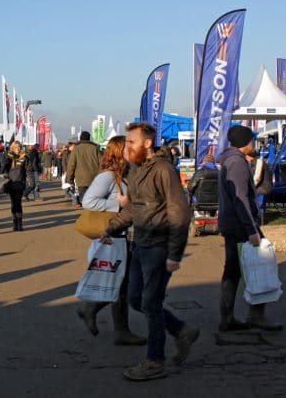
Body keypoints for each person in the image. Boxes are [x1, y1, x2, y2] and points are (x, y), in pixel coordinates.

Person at [101, 122, 197, 381]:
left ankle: (155, 360)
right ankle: (181, 330)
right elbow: (134, 208)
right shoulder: (136, 170)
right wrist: (111, 228)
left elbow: (180, 212)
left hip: (160, 245)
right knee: (135, 299)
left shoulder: (164, 170)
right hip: (140, 243)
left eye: (131, 143)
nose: (126, 148)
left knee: (150, 302)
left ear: (147, 143)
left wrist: (175, 253)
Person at [76, 136, 146, 346]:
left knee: (122, 283)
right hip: (115, 237)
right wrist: (118, 203)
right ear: (119, 152)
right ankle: (114, 326)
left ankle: (112, 324)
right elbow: (88, 201)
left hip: (124, 235)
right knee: (123, 283)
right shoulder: (107, 176)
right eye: (129, 148)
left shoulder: (124, 175)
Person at [218, 125, 282, 332]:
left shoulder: (229, 160)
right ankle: (256, 315)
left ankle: (227, 318)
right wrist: (252, 229)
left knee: (234, 270)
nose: (254, 145)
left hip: (233, 223)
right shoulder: (237, 162)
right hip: (240, 225)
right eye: (252, 141)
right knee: (258, 266)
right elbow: (240, 198)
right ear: (246, 143)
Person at [66, 131, 100, 207]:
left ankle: (87, 212)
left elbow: (71, 165)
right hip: (94, 177)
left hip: (81, 178)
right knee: (93, 198)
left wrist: (69, 179)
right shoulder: (95, 148)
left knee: (84, 199)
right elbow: (102, 163)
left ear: (80, 138)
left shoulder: (76, 149)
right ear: (89, 138)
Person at [1, 141, 27, 231]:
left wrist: (26, 182)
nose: (18, 149)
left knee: (18, 203)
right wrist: (6, 159)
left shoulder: (24, 157)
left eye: (19, 147)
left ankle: (20, 224)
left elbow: (26, 170)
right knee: (13, 203)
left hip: (19, 183)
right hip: (10, 183)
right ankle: (14, 224)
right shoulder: (8, 157)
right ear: (12, 148)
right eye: (16, 147)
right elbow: (2, 169)